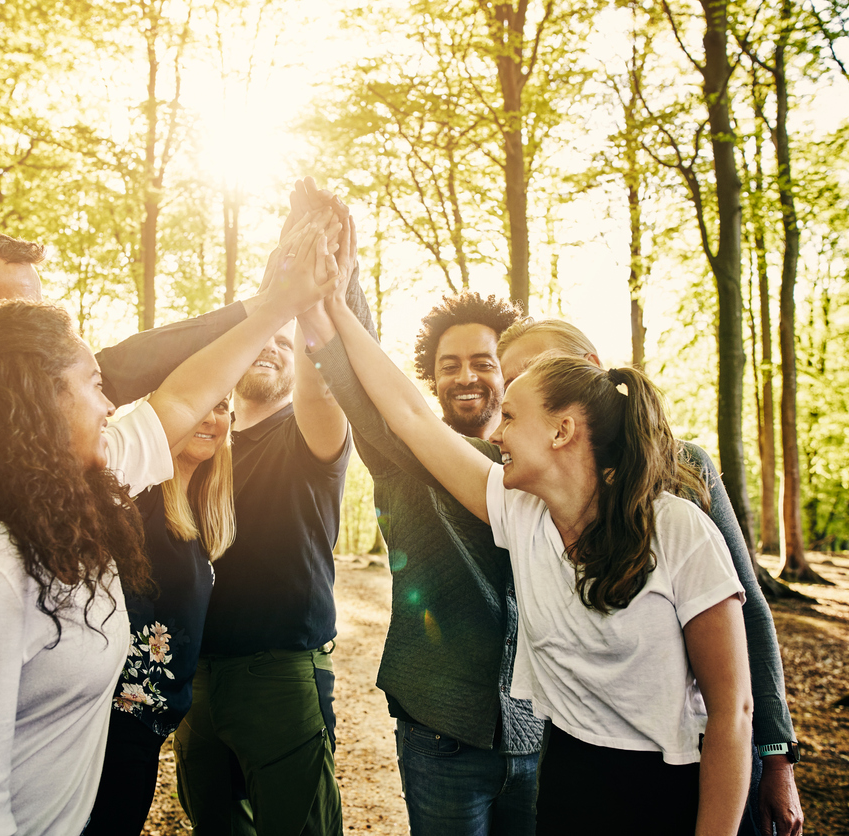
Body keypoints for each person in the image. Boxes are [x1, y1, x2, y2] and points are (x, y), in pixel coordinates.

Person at [0, 229, 309, 836]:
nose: (108, 402)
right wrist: (266, 304)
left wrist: (276, 305)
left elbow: (174, 401)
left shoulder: (53, 484)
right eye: (93, 386)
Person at [319, 289, 754, 834]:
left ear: (562, 429)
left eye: (511, 416)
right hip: (567, 779)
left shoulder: (677, 528)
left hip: (662, 786)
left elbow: (732, 712)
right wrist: (336, 303)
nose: (495, 431)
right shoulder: (520, 513)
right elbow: (407, 416)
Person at [495, 319, 804, 836]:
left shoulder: (684, 474)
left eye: (535, 371)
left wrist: (777, 756)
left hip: (693, 755)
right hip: (585, 758)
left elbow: (745, 615)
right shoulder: (527, 495)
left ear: (589, 375)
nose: (515, 392)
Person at [308, 288, 543, 835]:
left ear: (507, 374)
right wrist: (342, 279)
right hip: (440, 732)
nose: (466, 376)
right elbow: (355, 375)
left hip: (541, 732)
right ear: (430, 380)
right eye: (449, 365)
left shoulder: (547, 470)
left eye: (483, 363)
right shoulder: (399, 451)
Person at [172, 192, 355, 836]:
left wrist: (306, 304)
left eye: (287, 342)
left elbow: (325, 384)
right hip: (195, 678)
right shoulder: (197, 446)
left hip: (279, 673)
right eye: (260, 338)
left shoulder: (309, 439)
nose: (271, 348)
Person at [86, 397, 236, 835]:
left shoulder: (200, 509)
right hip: (112, 725)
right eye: (201, 403)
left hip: (149, 728)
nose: (210, 417)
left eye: (223, 406)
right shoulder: (136, 497)